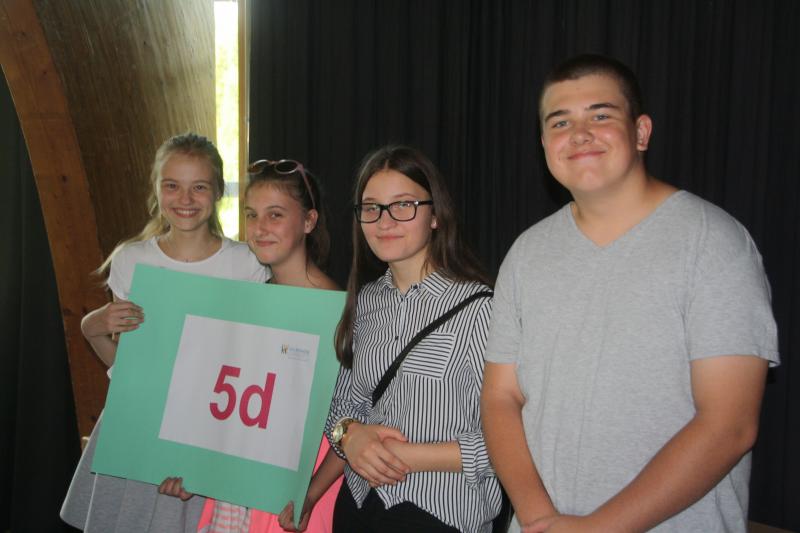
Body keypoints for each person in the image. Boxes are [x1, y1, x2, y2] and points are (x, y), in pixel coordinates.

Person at [481, 54, 779, 532]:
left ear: (641, 132)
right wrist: (539, 519)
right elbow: (500, 397)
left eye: (600, 115)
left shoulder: (713, 242)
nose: (579, 134)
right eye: (561, 122)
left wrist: (597, 528)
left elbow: (729, 425)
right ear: (544, 144)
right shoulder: (527, 253)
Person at [60, 132, 268, 532]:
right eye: (172, 185)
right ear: (156, 189)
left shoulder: (247, 263)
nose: (185, 198)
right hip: (140, 425)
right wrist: (94, 329)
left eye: (199, 187)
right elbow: (128, 368)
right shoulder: (131, 259)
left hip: (207, 432)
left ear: (218, 191)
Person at [289, 145, 501, 533]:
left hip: (438, 512)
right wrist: (349, 437)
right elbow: (342, 405)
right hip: (357, 506)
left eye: (403, 205)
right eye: (371, 208)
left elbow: (507, 441)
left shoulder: (480, 309)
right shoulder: (365, 303)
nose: (384, 221)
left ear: (435, 215)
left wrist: (403, 456)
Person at [189, 158, 343, 533]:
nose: (260, 228)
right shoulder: (247, 302)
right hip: (239, 487)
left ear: (308, 221)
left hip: (298, 489)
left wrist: (310, 492)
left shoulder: (338, 311)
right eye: (251, 215)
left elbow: (355, 419)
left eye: (275, 215)